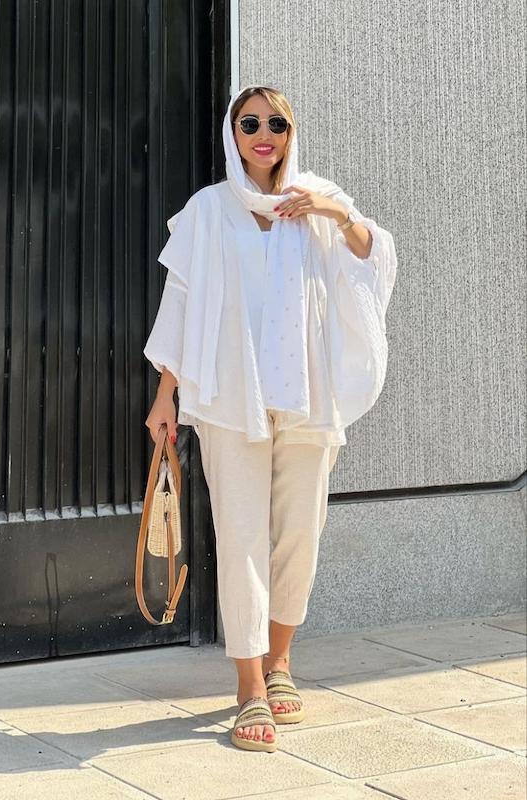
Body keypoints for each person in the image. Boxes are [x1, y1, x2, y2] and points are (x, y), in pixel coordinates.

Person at [143, 84, 397, 753]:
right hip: (231, 398)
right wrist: (167, 393)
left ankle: (281, 661)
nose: (264, 135)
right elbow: (181, 301)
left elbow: (373, 259)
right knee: (241, 537)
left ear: (290, 132)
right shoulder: (209, 210)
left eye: (276, 123)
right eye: (250, 123)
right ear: (233, 134)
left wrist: (335, 212)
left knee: (299, 535)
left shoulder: (317, 200)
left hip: (306, 399)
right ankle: (250, 685)